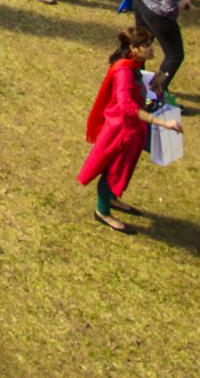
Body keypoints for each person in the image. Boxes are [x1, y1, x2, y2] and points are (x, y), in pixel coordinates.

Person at [76, 28, 182, 234]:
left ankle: (112, 199)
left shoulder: (133, 65)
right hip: (122, 131)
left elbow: (139, 86)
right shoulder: (123, 72)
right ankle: (102, 210)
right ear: (134, 49)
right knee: (113, 170)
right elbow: (127, 107)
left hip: (132, 130)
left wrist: (156, 87)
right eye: (147, 46)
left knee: (122, 168)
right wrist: (161, 122)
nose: (152, 50)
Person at [131, 0, 190, 97]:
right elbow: (167, 8)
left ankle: (133, 80)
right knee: (174, 55)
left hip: (140, 4)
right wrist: (181, 2)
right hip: (157, 16)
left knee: (141, 45)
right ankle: (155, 89)